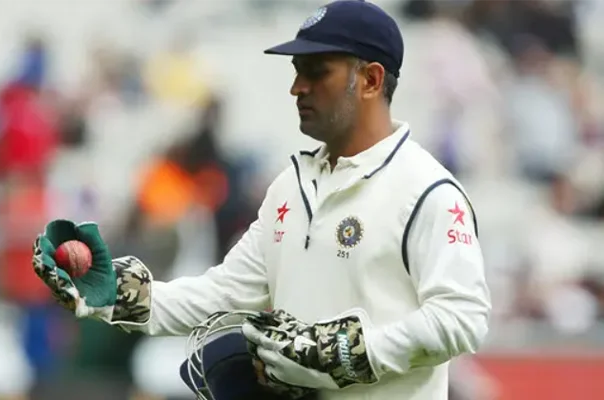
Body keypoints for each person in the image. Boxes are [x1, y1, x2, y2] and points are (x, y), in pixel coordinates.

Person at [31, 1, 491, 399]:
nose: (297, 88)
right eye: (296, 72)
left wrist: (353, 351)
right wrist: (111, 293)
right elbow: (222, 294)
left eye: (317, 73)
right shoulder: (290, 188)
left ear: (370, 80)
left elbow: (462, 317)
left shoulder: (427, 190)